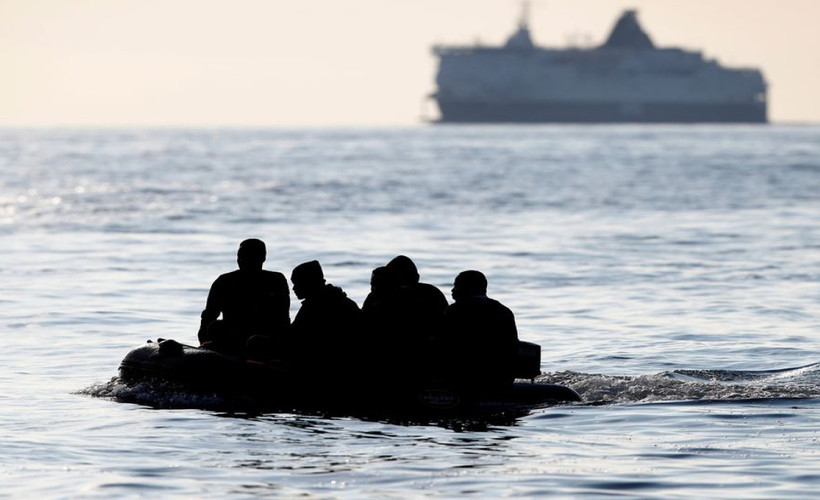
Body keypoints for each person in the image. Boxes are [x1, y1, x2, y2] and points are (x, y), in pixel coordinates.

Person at [198, 239, 290, 357]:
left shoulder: (276, 281)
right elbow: (208, 317)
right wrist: (204, 345)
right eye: (240, 256)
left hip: (263, 339)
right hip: (232, 339)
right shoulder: (224, 282)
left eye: (249, 257)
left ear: (262, 258)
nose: (242, 260)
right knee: (215, 327)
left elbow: (283, 318)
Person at [440, 270, 519, 391]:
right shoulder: (504, 311)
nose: (452, 290)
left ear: (467, 288)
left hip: (465, 379)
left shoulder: (455, 311)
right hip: (501, 377)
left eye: (456, 286)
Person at [289, 260, 362, 382]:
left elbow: (298, 338)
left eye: (297, 283)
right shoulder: (340, 301)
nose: (294, 288)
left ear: (309, 283)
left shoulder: (315, 307)